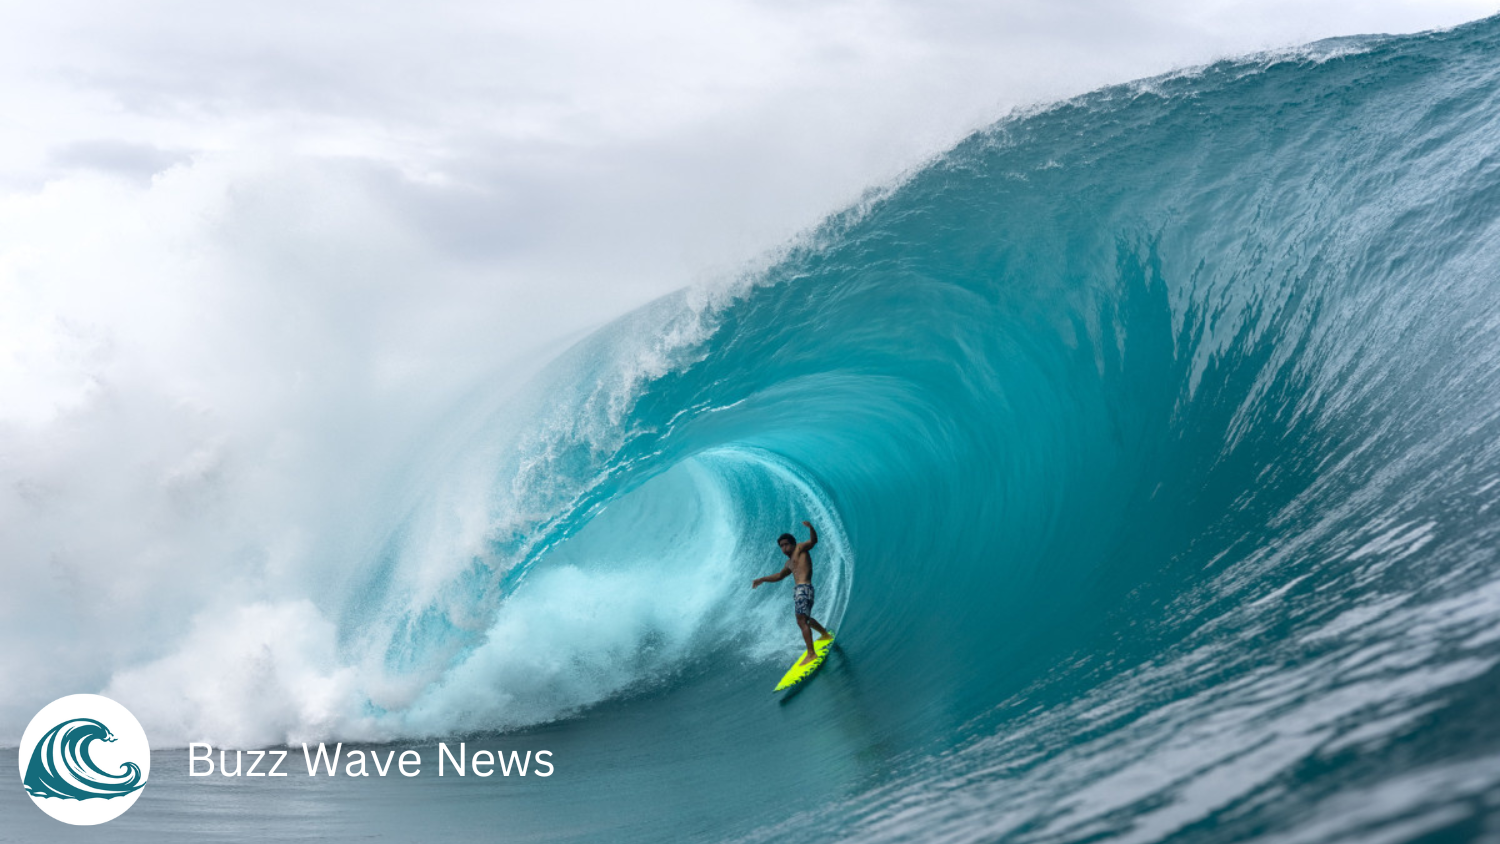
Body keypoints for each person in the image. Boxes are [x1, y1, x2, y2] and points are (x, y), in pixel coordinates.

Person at [752, 520, 833, 665]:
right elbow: (779, 576)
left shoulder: (800, 549)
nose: (784, 548)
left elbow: (814, 541)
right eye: (781, 546)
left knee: (801, 620)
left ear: (793, 543)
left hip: (804, 589)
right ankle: (825, 635)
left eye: (786, 544)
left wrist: (811, 528)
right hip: (799, 591)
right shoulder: (789, 563)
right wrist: (762, 579)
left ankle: (811, 654)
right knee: (805, 619)